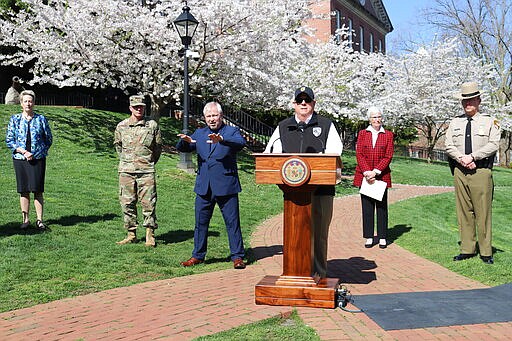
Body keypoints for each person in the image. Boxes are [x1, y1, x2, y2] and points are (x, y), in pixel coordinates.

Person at [264, 86, 343, 278]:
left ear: (313, 104)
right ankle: (295, 273)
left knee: (319, 234)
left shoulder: (326, 125)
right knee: (296, 234)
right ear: (293, 104)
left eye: (307, 101)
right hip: (293, 194)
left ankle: (319, 274)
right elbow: (270, 154)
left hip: (322, 191)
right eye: (299, 101)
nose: (303, 104)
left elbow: (335, 153)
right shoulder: (283, 126)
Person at [177, 102, 247, 269]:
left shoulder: (231, 132)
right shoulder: (200, 133)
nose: (212, 119)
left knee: (232, 222)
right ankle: (198, 255)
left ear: (221, 116)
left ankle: (237, 256)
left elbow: (240, 143)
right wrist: (185, 142)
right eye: (209, 116)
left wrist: (222, 140)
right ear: (205, 118)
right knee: (200, 223)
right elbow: (184, 148)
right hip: (204, 186)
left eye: (214, 116)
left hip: (226, 185)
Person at [445, 81, 500, 264]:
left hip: (481, 171)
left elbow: (493, 144)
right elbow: (448, 145)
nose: (467, 104)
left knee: (483, 212)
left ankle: (485, 252)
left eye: (471, 100)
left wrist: (473, 157)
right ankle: (467, 249)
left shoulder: (490, 121)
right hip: (460, 171)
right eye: (464, 101)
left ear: (478, 100)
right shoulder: (455, 122)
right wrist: (461, 158)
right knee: (464, 212)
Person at [114, 95, 162, 247]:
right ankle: (131, 233)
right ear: (130, 108)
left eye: (141, 106)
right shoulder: (121, 126)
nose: (139, 109)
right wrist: (128, 162)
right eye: (136, 107)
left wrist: (147, 162)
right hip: (126, 171)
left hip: (146, 171)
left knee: (149, 203)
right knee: (127, 202)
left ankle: (150, 234)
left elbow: (157, 148)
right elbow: (118, 147)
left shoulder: (152, 125)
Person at [5, 90, 53, 230]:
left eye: (30, 101)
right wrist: (23, 152)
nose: (28, 103)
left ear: (34, 103)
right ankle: (25, 220)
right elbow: (9, 140)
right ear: (21, 103)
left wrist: (35, 153)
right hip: (20, 159)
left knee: (37, 190)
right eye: (25, 101)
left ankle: (39, 220)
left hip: (37, 159)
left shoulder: (41, 119)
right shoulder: (15, 119)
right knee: (24, 190)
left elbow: (48, 140)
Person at [353, 107, 394, 249]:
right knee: (367, 207)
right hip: (364, 175)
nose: (377, 119)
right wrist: (366, 172)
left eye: (379, 117)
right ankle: (369, 236)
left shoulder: (388, 135)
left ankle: (382, 236)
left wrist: (375, 172)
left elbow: (388, 156)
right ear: (369, 119)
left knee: (381, 207)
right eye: (374, 117)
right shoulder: (363, 133)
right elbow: (359, 154)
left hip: (381, 175)